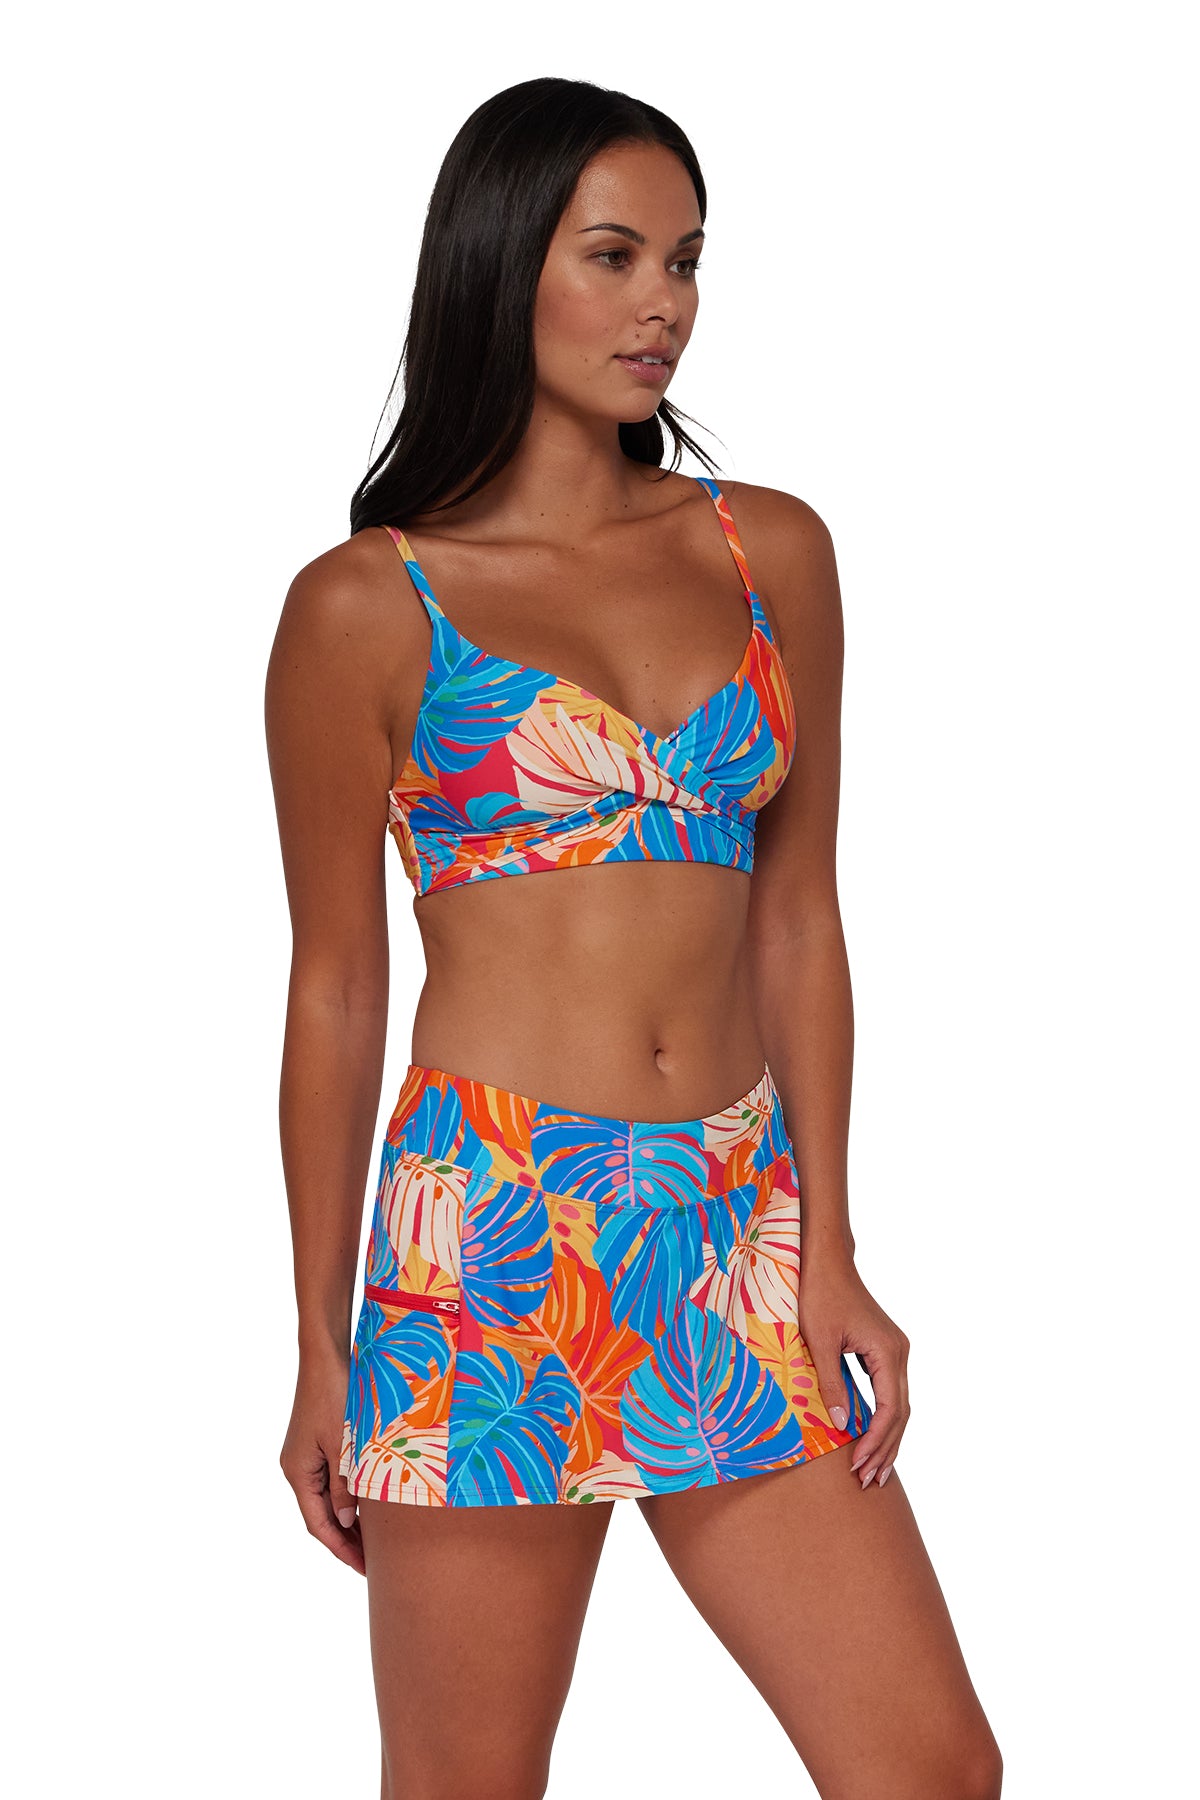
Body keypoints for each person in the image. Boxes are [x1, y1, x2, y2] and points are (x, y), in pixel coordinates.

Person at [265, 75, 1003, 1800]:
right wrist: (318, 1345)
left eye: (686, 260)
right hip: (490, 1235)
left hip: (736, 1220)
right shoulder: (367, 604)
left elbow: (799, 923)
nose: (663, 301)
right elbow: (336, 991)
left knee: (930, 1769)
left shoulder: (769, 552)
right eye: (615, 256)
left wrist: (828, 1243)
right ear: (503, 265)